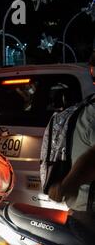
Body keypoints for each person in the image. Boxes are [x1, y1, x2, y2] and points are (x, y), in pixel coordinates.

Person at [48, 95, 95, 235]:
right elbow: (92, 159)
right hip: (89, 210)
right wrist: (67, 185)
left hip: (81, 208)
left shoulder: (87, 105)